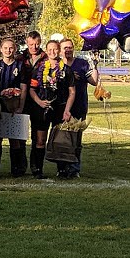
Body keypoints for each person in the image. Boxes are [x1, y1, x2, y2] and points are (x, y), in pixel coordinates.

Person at [28, 39, 75, 179]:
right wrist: (39, 102)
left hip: (59, 109)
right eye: (49, 49)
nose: (52, 52)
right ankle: (38, 169)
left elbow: (72, 92)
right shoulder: (39, 68)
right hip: (42, 109)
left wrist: (67, 110)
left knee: (59, 141)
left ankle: (61, 169)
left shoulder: (66, 69)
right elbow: (31, 89)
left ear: (59, 50)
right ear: (46, 51)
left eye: (55, 49)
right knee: (40, 140)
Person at [59, 38, 98, 178]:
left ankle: (74, 168)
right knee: (62, 138)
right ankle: (62, 168)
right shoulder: (57, 65)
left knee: (76, 139)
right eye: (65, 48)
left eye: (70, 47)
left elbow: (93, 81)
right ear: (60, 49)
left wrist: (94, 65)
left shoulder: (81, 64)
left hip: (79, 105)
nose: (67, 50)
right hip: (61, 106)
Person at [0, 38, 28, 178]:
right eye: (5, 48)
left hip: (14, 107)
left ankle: (16, 170)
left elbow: (23, 88)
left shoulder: (20, 66)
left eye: (11, 48)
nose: (8, 50)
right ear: (1, 49)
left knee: (14, 138)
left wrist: (20, 107)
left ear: (15, 49)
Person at [22, 31, 47, 178]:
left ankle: (37, 168)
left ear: (40, 42)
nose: (34, 46)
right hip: (23, 102)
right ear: (27, 43)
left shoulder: (46, 58)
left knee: (39, 138)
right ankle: (19, 167)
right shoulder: (21, 58)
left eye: (37, 43)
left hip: (40, 102)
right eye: (31, 44)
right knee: (19, 137)